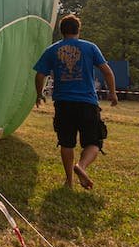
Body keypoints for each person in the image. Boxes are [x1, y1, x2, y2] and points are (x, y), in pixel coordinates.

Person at [34, 14, 117, 190]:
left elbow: (40, 74)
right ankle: (81, 166)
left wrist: (39, 94)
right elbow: (107, 72)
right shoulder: (90, 47)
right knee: (93, 142)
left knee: (66, 142)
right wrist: (112, 93)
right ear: (78, 30)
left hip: (63, 103)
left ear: (61, 31)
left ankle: (69, 181)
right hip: (87, 102)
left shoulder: (52, 50)